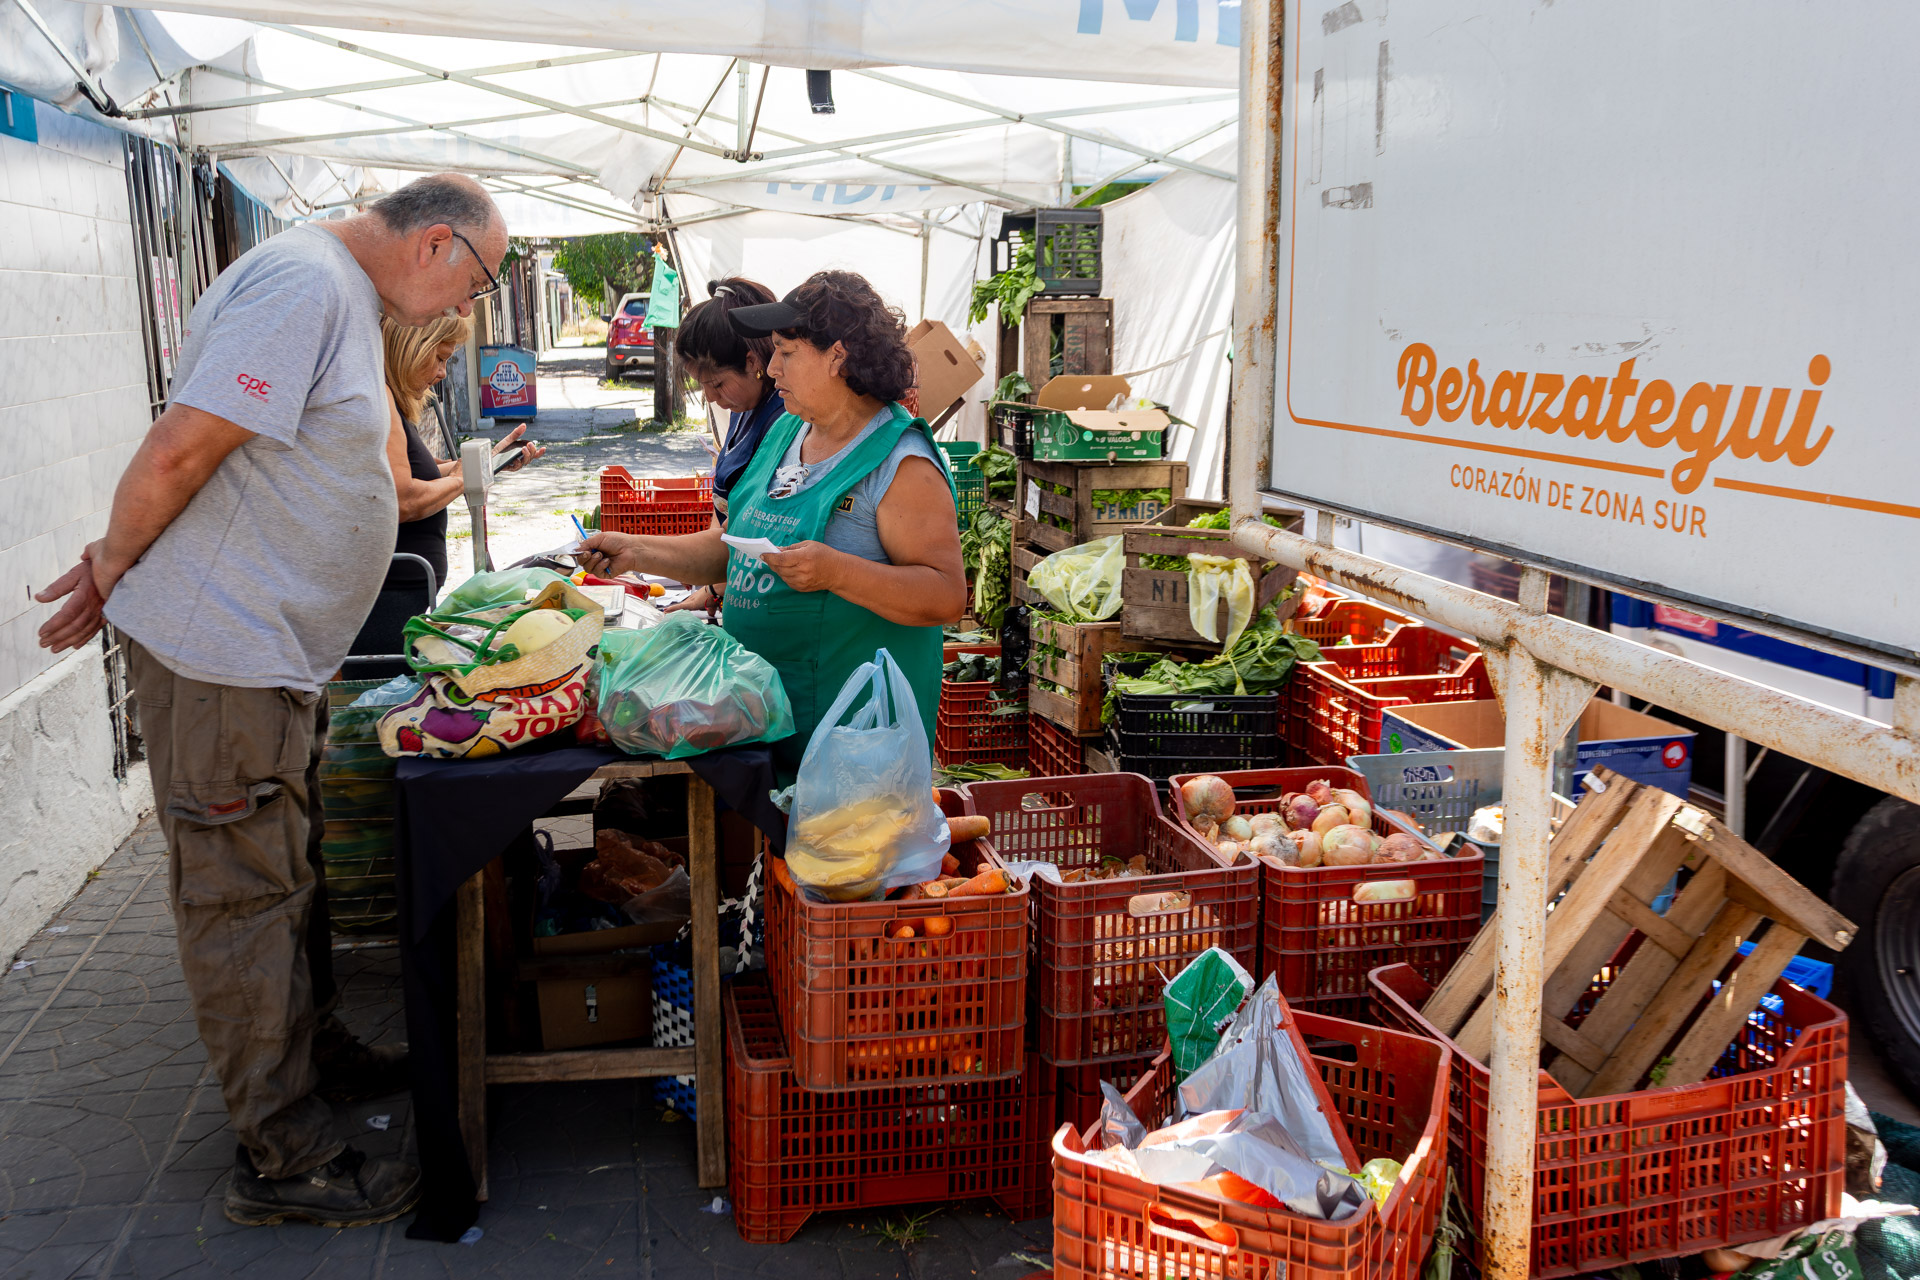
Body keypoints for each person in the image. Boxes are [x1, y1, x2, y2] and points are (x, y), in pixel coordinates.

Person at [33, 173, 508, 1229]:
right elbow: (182, 446)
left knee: (285, 872)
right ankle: (283, 1152)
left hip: (269, 652)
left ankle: (314, 1051)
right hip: (224, 654)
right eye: (475, 280)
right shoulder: (305, 285)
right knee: (242, 893)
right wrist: (110, 567)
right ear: (437, 244)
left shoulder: (328, 288)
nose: (466, 308)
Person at [579, 270, 967, 774]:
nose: (772, 368)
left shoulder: (901, 461)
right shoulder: (787, 429)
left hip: (852, 746)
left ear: (837, 355)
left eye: (786, 351)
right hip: (763, 723)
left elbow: (945, 595)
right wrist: (637, 551)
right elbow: (734, 545)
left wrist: (838, 572)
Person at [349, 313, 544, 663]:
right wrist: (461, 479)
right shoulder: (378, 399)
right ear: (411, 347)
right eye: (440, 358)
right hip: (385, 601)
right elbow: (404, 499)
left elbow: (422, 474)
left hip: (400, 594)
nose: (441, 373)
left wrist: (488, 461)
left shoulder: (388, 399)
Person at [666, 277, 785, 614]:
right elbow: (724, 515)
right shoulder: (743, 407)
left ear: (753, 363)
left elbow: (752, 530)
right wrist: (707, 583)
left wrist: (713, 590)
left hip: (758, 596)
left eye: (717, 384)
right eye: (703, 386)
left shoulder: (784, 420)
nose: (712, 398)